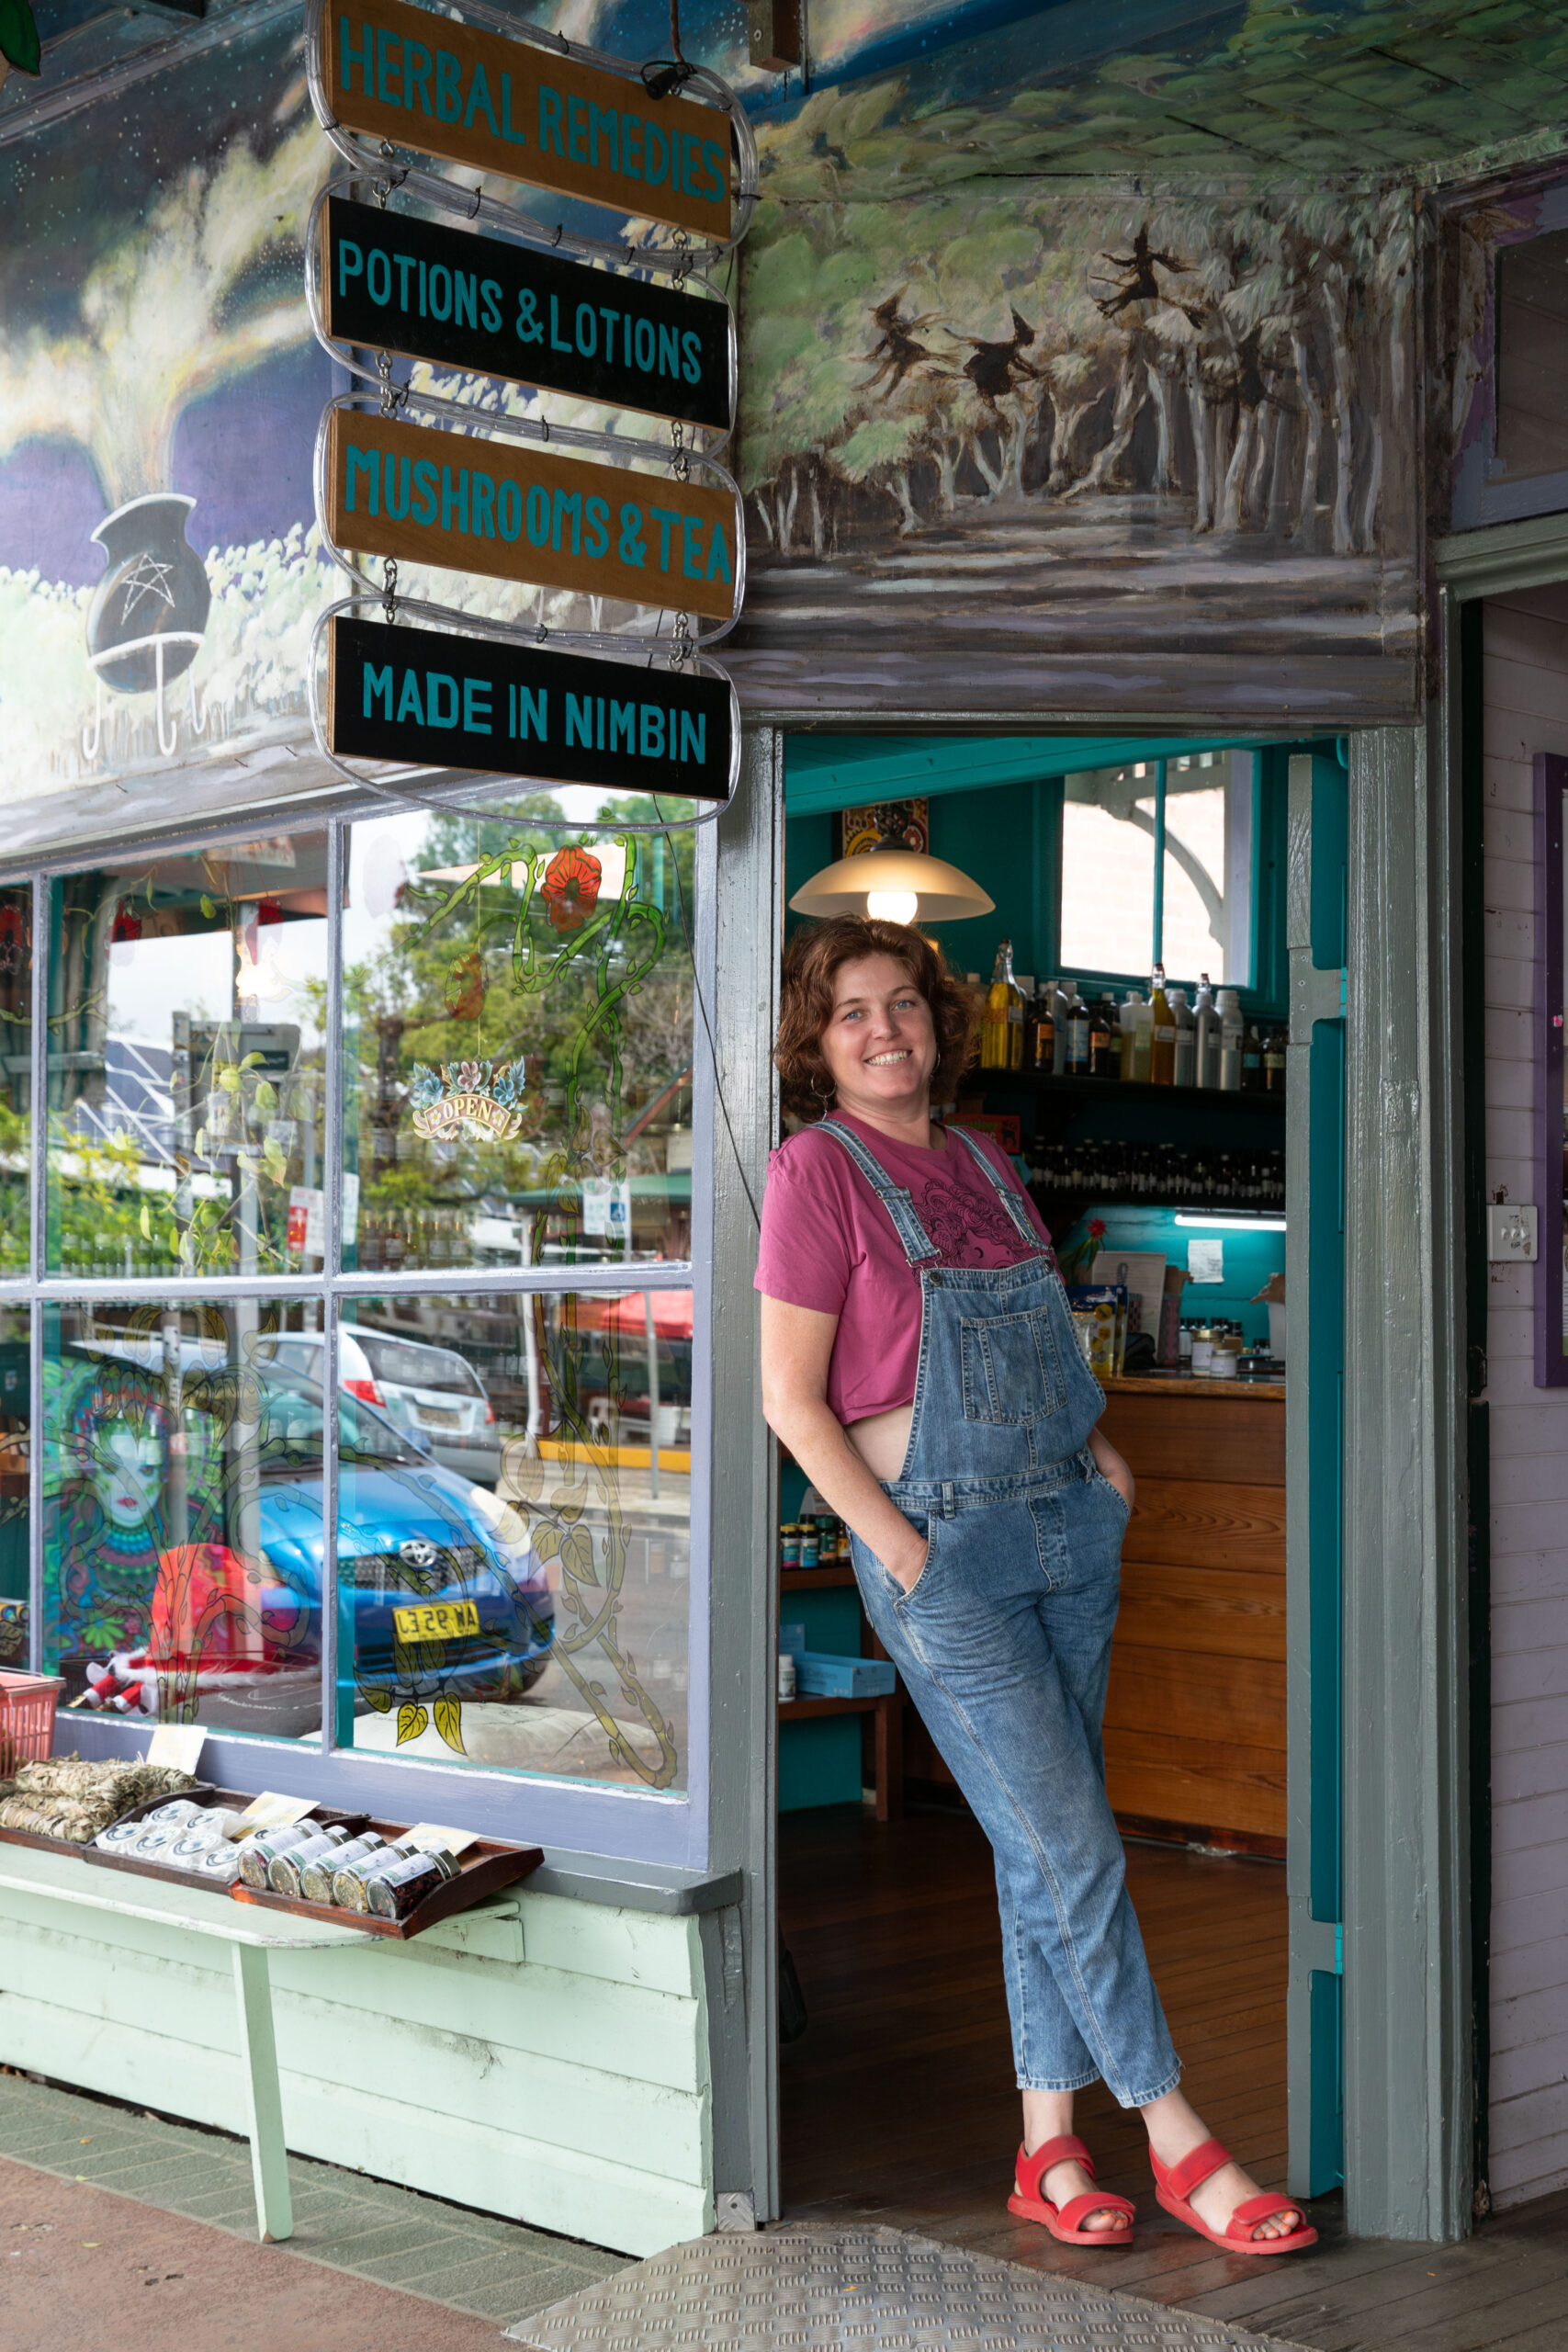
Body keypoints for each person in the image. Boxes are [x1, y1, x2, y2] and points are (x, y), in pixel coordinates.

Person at [756, 914, 1315, 2256]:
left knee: (1036, 1847)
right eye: (853, 1012)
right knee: (1076, 1845)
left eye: (905, 1003)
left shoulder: (987, 1161)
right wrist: (898, 1553)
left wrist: (1106, 1462)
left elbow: (1048, 1341)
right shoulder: (814, 1173)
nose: (886, 1028)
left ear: (939, 1023)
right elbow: (791, 1400)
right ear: (817, 1043)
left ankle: (1048, 2150)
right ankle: (1178, 2137)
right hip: (943, 1549)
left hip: (1066, 1529)